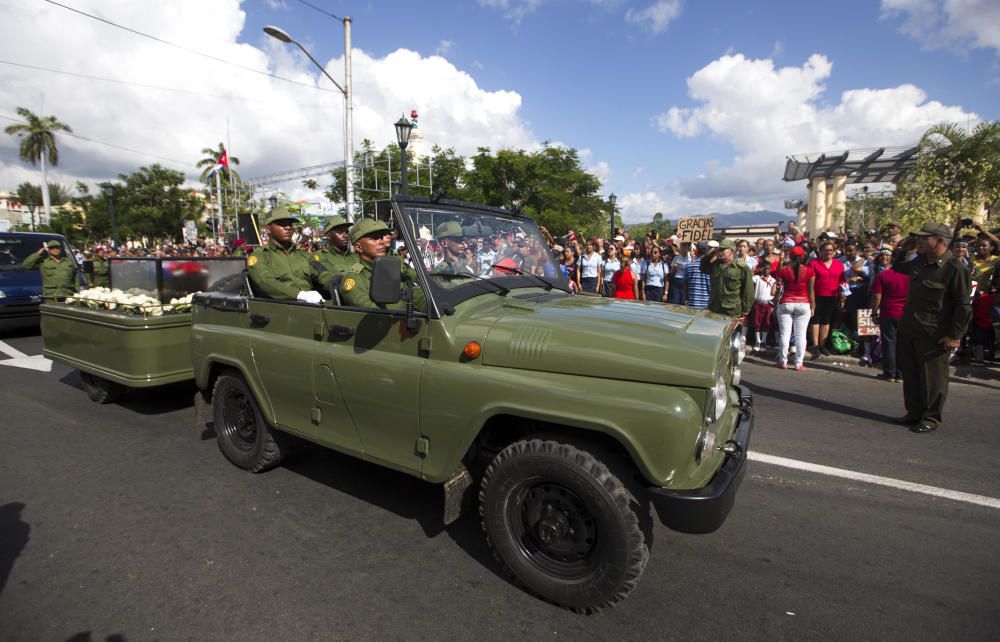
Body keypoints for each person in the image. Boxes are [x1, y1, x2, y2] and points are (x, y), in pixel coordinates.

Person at [892, 223, 973, 433]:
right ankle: (914, 412)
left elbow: (963, 306)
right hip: (911, 327)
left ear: (939, 241)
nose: (919, 241)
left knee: (933, 378)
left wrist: (954, 336)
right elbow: (897, 267)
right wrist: (903, 249)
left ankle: (930, 417)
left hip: (934, 333)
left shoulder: (954, 269)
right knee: (911, 375)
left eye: (924, 238)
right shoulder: (920, 262)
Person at [340, 219, 425, 310]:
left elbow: (412, 293)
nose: (381, 242)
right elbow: (373, 313)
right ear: (358, 247)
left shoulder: (390, 268)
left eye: (381, 237)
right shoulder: (354, 279)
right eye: (374, 238)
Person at [247, 205, 323, 302]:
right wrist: (299, 295)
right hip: (282, 308)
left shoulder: (303, 255)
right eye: (282, 224)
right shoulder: (260, 256)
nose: (288, 227)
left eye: (290, 224)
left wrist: (337, 282)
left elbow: (322, 274)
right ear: (268, 229)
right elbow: (265, 282)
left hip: (312, 304)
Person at [870, 248, 909, 382]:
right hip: (905, 314)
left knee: (888, 343)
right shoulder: (912, 276)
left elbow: (876, 296)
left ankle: (889, 373)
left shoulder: (884, 275)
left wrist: (874, 312)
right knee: (902, 345)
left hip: (888, 313)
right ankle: (901, 374)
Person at [774, 246, 815, 370]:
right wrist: (813, 306)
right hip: (803, 303)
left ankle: (782, 361)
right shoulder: (810, 271)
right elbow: (811, 291)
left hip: (786, 302)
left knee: (784, 333)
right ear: (803, 257)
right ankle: (798, 363)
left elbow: (778, 287)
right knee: (801, 335)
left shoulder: (784, 270)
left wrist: (775, 302)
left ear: (790, 256)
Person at [809, 240, 846, 358]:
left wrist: (842, 297)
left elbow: (842, 281)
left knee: (826, 320)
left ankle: (822, 344)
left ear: (834, 252)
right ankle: (815, 345)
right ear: (820, 252)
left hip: (832, 296)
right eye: (825, 250)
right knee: (816, 320)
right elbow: (810, 282)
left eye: (831, 250)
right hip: (817, 295)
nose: (828, 252)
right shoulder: (814, 264)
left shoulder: (839, 264)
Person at [701, 239, 754, 318]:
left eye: (723, 249)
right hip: (715, 308)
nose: (720, 252)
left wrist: (746, 310)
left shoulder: (741, 268)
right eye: (719, 249)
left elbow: (748, 290)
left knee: (730, 330)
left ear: (732, 251)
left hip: (731, 310)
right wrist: (710, 254)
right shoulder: (715, 265)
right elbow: (702, 268)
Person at [750, 262, 777, 351]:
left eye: (768, 268)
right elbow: (750, 278)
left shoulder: (772, 280)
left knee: (766, 322)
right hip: (758, 303)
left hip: (767, 304)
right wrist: (753, 270)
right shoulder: (757, 278)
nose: (766, 270)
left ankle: (764, 341)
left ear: (771, 270)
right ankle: (758, 340)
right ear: (761, 269)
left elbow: (774, 292)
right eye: (764, 268)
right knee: (756, 322)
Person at [684, 245, 712, 310]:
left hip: (692, 304)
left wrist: (686, 300)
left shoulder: (689, 266)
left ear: (696, 252)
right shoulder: (711, 268)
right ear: (707, 253)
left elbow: (686, 286)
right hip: (707, 305)